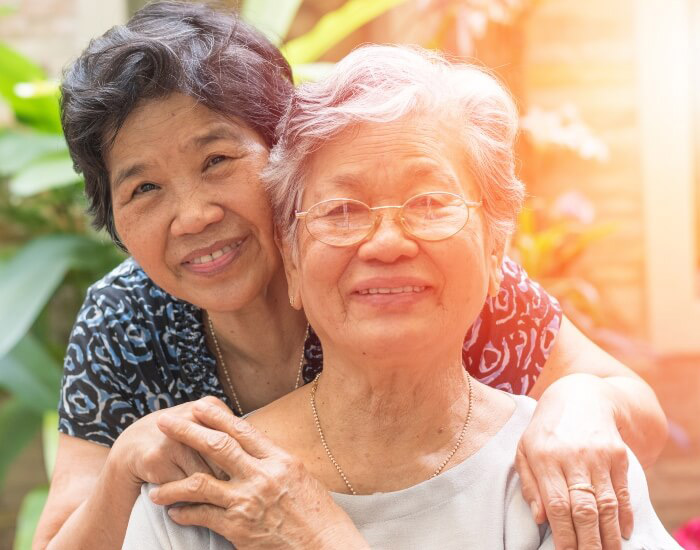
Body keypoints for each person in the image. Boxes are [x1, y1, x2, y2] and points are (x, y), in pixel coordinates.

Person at [35, 2, 667, 549]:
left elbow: (634, 409)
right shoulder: (125, 318)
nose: (194, 215)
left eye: (218, 159)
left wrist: (578, 401)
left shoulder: (421, 278)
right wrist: (123, 465)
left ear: (285, 154)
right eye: (143, 187)